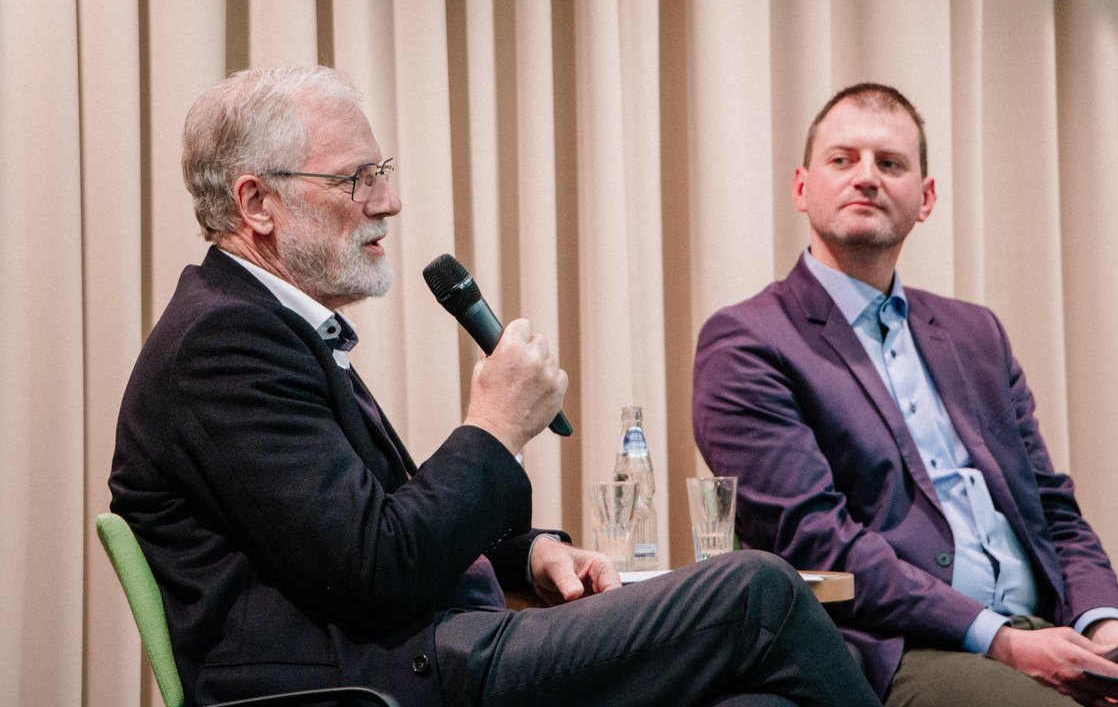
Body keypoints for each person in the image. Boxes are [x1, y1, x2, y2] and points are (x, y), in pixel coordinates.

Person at [109, 66, 879, 707]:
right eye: (357, 177)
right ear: (257, 204)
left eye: (383, 173)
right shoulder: (221, 342)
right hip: (376, 683)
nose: (388, 201)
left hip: (423, 652)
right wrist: (495, 425)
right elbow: (377, 569)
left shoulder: (269, 325)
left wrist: (529, 555)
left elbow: (374, 529)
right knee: (758, 591)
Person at [691, 83, 1118, 707]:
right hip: (901, 646)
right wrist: (999, 639)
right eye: (842, 160)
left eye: (891, 162)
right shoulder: (747, 340)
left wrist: (1108, 629)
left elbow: (1050, 509)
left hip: (1046, 628)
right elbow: (817, 542)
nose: (866, 178)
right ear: (802, 187)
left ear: (925, 198)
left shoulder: (975, 332)